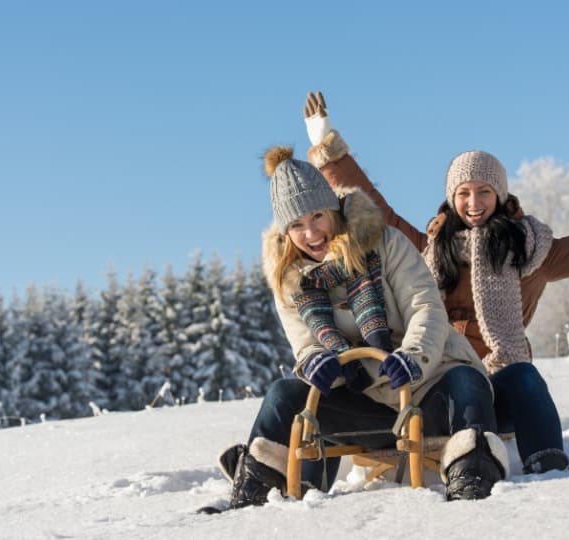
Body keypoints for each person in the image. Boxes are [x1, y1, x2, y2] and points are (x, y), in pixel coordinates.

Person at [301, 91, 569, 474]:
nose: (474, 202)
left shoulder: (532, 250)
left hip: (498, 389)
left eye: (484, 192)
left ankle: (548, 465)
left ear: (500, 195)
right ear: (451, 198)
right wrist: (326, 146)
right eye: (464, 193)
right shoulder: (427, 250)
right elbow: (378, 211)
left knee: (525, 376)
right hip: (438, 385)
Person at [203, 146, 510, 513]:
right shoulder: (290, 280)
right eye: (297, 225)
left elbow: (425, 307)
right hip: (363, 403)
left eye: (317, 216)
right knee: (284, 394)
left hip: (425, 388)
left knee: (466, 380)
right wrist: (316, 360)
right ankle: (249, 499)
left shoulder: (385, 243)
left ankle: (473, 484)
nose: (311, 233)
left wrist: (413, 358)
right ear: (286, 232)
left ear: (332, 209)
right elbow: (305, 344)